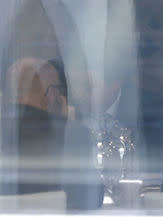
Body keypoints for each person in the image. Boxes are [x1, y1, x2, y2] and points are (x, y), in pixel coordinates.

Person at [1, 57, 104, 210]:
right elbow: (91, 197)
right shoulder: (73, 134)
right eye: (58, 88)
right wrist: (64, 120)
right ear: (50, 92)